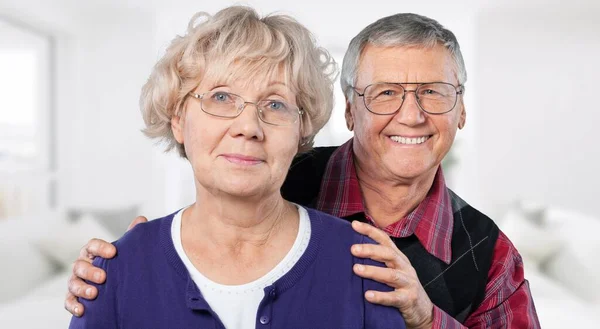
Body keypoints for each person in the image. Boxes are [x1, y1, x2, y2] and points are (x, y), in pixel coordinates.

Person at [66, 11, 540, 329]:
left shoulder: (490, 255)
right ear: (350, 112)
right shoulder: (271, 171)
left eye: (434, 92)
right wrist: (129, 263)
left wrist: (425, 318)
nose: (411, 115)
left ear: (461, 109)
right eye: (386, 93)